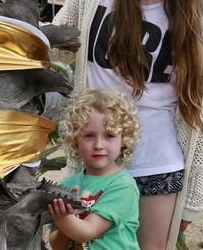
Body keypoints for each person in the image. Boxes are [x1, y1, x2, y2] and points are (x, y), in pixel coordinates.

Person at [52, 0, 203, 250]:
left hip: (156, 169)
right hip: (93, 161)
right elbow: (53, 46)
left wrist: (193, 199)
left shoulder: (190, 19)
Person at [48, 89, 141, 250]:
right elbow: (56, 245)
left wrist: (64, 219)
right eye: (89, 135)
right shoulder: (68, 183)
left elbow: (88, 231)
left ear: (123, 139)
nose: (98, 145)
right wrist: (63, 223)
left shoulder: (123, 187)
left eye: (109, 136)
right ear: (75, 139)